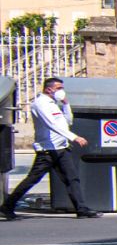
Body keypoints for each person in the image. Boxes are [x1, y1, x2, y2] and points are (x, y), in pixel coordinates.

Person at [2, 77, 98, 219]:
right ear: (49, 89)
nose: (62, 91)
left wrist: (66, 105)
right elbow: (51, 124)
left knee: (72, 179)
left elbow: (68, 121)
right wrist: (74, 137)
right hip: (47, 149)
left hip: (61, 147)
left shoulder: (53, 104)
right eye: (59, 88)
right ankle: (7, 206)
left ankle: (81, 209)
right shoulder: (40, 104)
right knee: (32, 179)